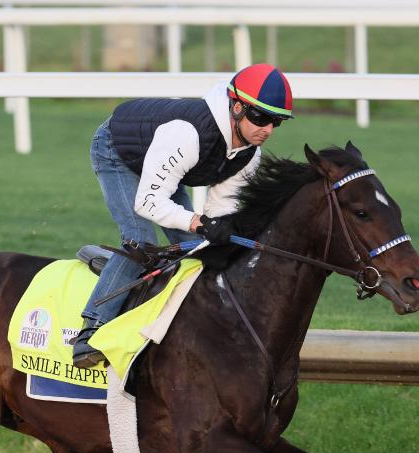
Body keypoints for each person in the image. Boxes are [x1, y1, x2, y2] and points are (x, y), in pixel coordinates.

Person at [72, 63, 294, 369]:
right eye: (261, 117)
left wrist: (217, 230)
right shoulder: (188, 135)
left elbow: (218, 217)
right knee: (141, 243)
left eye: (276, 122)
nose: (267, 129)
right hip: (118, 152)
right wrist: (197, 222)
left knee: (198, 248)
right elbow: (149, 202)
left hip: (168, 165)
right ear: (238, 107)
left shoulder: (248, 155)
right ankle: (92, 330)